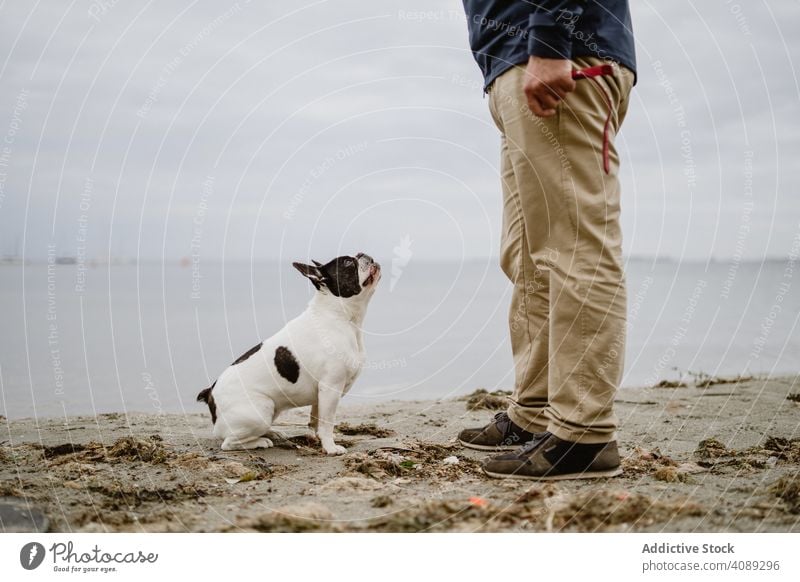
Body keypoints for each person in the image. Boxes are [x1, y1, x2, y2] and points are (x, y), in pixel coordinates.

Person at [457, 1, 637, 480]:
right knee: (528, 259)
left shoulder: (554, 46)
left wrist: (551, 40)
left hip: (559, 56)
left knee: (577, 251)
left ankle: (584, 434)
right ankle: (535, 413)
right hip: (516, 64)